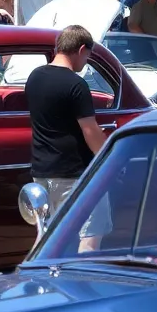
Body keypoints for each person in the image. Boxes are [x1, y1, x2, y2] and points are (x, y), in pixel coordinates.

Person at [27, 25, 109, 249]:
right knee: (90, 235)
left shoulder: (34, 78)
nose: (86, 63)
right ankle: (82, 284)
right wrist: (110, 159)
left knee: (46, 238)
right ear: (82, 49)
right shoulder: (75, 85)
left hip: (42, 174)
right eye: (88, 56)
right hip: (73, 175)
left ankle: (36, 281)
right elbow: (90, 130)